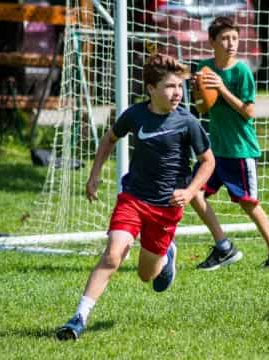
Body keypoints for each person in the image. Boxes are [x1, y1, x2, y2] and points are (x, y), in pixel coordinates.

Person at [56, 54, 215, 340]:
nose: (177, 92)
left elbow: (208, 161)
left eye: (179, 86)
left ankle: (166, 257)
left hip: (166, 208)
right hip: (133, 198)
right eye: (169, 86)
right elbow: (109, 139)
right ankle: (79, 317)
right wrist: (94, 175)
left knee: (146, 275)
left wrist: (190, 191)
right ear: (151, 89)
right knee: (113, 254)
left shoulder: (188, 122)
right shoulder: (135, 115)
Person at [190, 16, 269, 271]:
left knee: (248, 203)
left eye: (235, 38)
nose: (231, 43)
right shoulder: (204, 68)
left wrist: (222, 89)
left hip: (240, 150)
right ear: (212, 41)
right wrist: (197, 90)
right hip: (215, 152)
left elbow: (249, 112)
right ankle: (224, 247)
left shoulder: (242, 71)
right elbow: (201, 108)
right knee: (192, 191)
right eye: (225, 38)